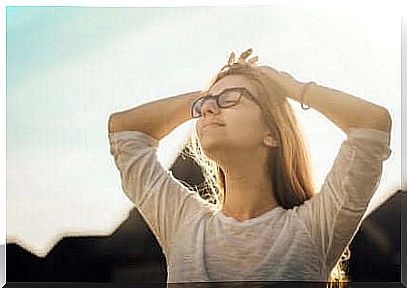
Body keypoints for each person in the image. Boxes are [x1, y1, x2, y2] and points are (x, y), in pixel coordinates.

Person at [108, 49, 392, 287]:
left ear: (271, 133)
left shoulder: (313, 228)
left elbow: (372, 124)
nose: (207, 109)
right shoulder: (184, 223)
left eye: (230, 99)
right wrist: (208, 94)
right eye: (204, 105)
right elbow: (125, 130)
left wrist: (292, 88)